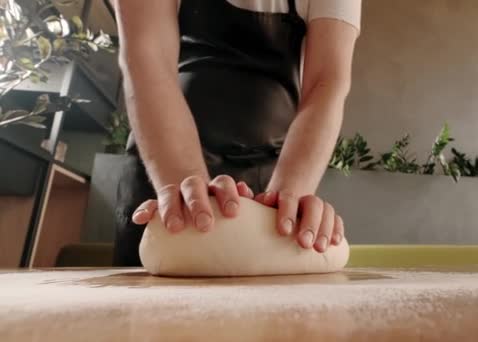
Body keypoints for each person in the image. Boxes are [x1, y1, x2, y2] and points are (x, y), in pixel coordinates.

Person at [112, 0, 361, 266]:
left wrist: (287, 200)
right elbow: (148, 58)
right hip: (166, 169)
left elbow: (326, 83)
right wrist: (191, 198)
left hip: (271, 180)